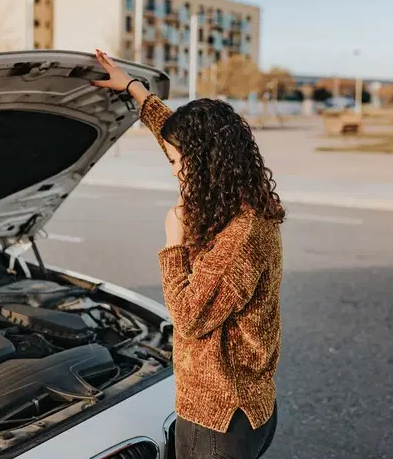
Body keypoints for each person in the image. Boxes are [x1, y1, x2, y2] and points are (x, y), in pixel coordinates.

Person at [92, 49, 284, 459]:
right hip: (245, 407)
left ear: (207, 163)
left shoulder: (241, 235)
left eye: (181, 163)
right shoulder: (238, 195)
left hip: (218, 418)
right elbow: (175, 141)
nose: (176, 171)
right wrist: (135, 91)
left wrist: (174, 244)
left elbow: (190, 317)